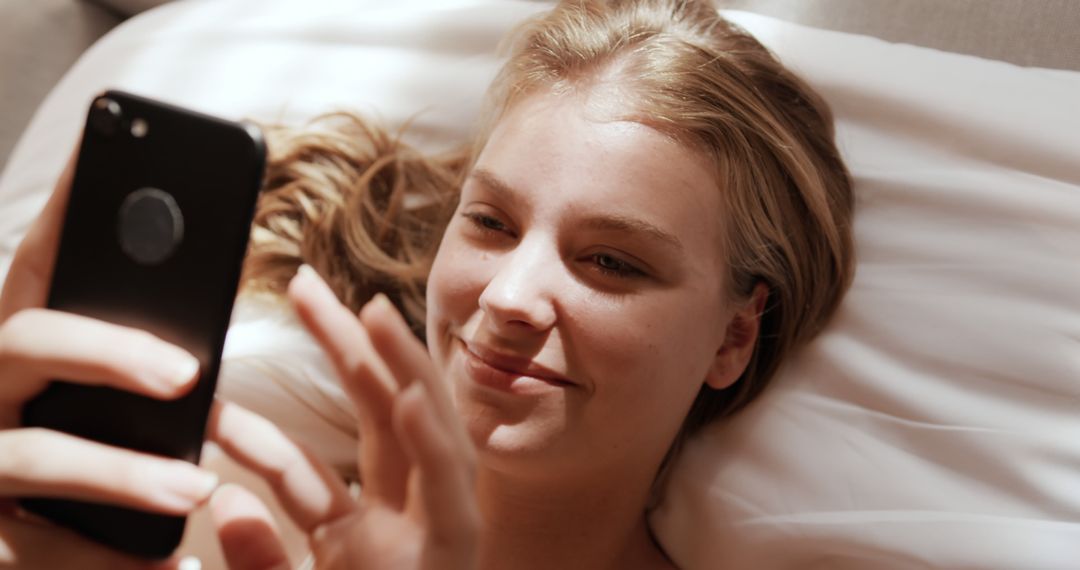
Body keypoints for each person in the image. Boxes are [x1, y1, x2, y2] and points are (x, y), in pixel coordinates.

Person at [0, 0, 853, 568]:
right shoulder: (207, 519)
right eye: (490, 223)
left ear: (734, 336)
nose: (510, 296)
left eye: (612, 262)